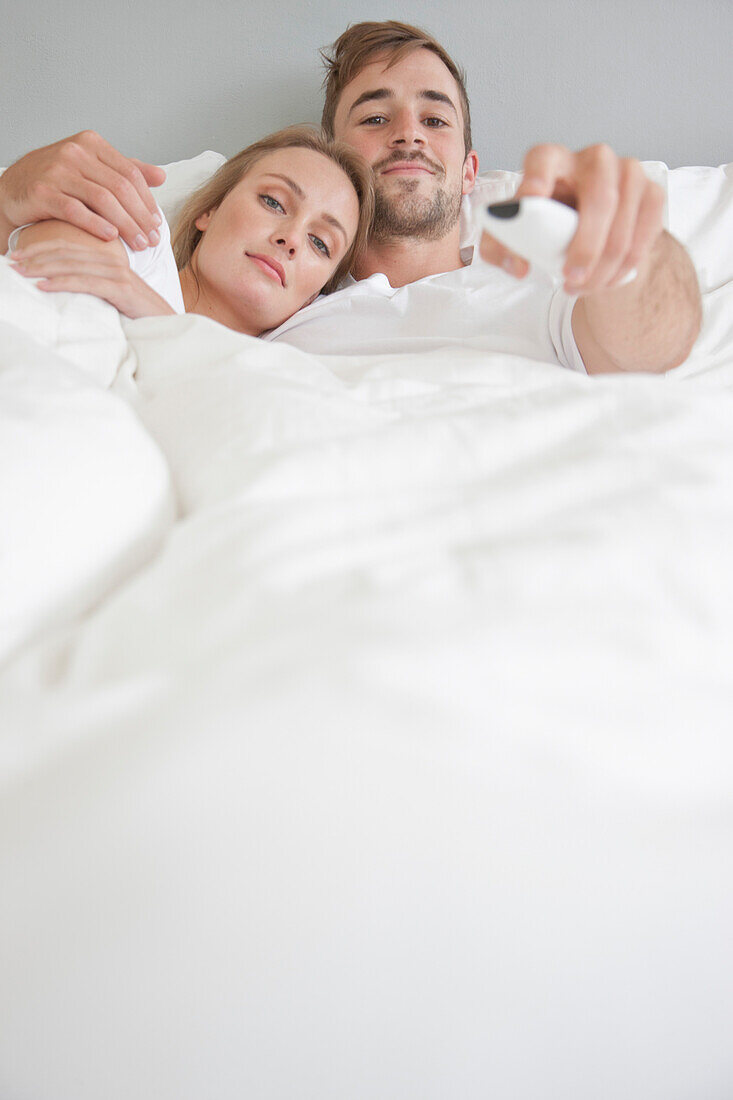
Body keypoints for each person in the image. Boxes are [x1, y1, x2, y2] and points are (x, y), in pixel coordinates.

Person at [0, 21, 701, 374]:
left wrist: (624, 247)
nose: (406, 135)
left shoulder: (530, 286)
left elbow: (654, 345)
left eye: (434, 119)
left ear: (468, 171)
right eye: (373, 117)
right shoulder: (266, 302)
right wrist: (8, 199)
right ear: (333, 155)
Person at [4, 126, 374, 338]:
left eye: (320, 243)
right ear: (209, 212)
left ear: (312, 299)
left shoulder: (274, 380)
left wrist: (149, 311)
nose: (291, 239)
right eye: (273, 202)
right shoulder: (134, 236)